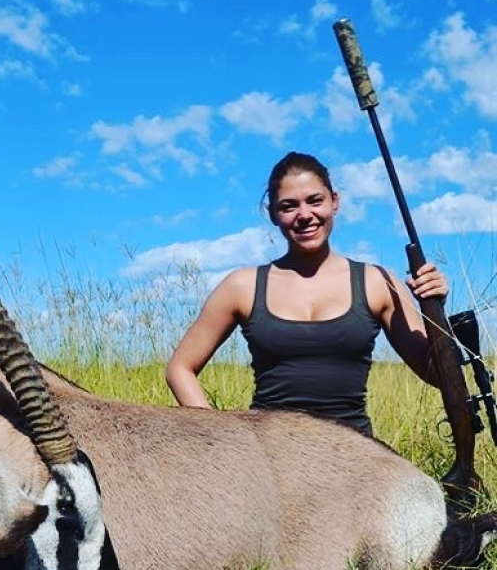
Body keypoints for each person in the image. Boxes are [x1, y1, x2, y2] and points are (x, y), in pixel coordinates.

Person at [165, 151, 449, 437]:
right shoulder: (242, 285)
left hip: (357, 453)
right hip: (265, 453)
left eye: (315, 201)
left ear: (334, 202)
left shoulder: (377, 282)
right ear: (273, 214)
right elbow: (180, 368)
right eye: (289, 206)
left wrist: (436, 310)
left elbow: (438, 376)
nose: (304, 215)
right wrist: (219, 438)